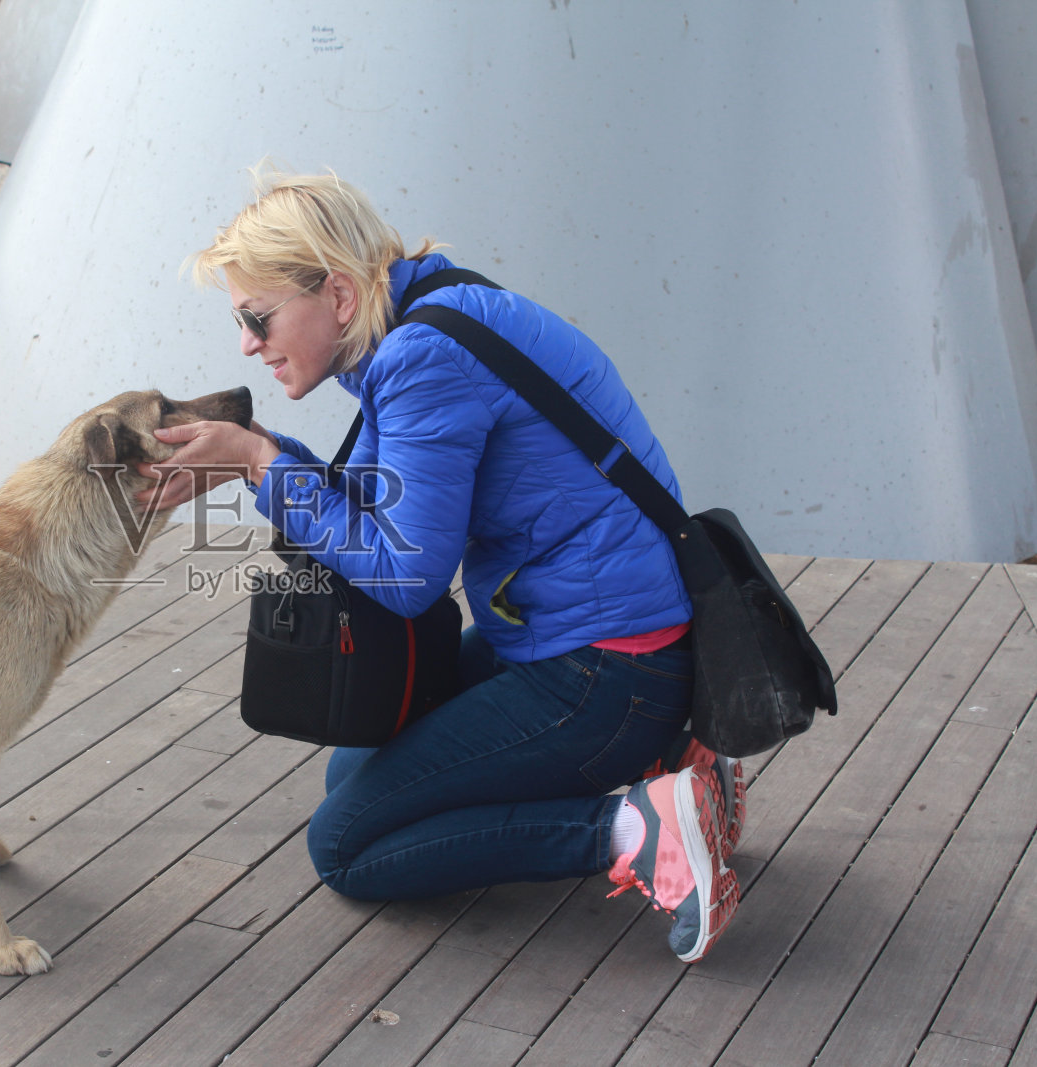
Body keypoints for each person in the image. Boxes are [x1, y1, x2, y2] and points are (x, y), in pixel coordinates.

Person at [141, 169, 744, 962]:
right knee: (353, 778)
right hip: (584, 634)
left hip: (608, 668)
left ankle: (637, 828)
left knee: (349, 845)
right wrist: (258, 463)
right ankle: (681, 763)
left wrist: (260, 465)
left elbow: (405, 572)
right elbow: (380, 508)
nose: (248, 344)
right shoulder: (430, 316)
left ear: (342, 297)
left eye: (258, 318)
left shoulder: (423, 361)